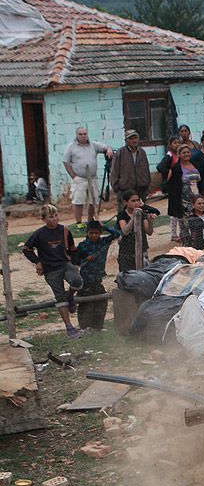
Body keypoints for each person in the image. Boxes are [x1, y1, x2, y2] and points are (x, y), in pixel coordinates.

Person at [23, 204, 83, 338]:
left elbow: (73, 249)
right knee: (60, 296)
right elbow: (27, 249)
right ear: (43, 219)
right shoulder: (39, 234)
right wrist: (38, 262)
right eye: (51, 217)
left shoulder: (64, 230)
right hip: (50, 270)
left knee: (77, 281)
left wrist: (74, 263)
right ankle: (69, 327)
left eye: (56, 216)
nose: (54, 219)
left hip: (64, 264)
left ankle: (71, 294)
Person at [62, 127, 113, 227]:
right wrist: (73, 176)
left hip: (93, 177)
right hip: (79, 178)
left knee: (94, 200)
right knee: (78, 200)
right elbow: (66, 161)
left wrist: (109, 149)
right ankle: (79, 223)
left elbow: (106, 147)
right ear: (77, 135)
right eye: (80, 134)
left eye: (85, 134)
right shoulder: (71, 147)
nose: (83, 136)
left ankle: (90, 220)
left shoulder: (93, 145)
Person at [75, 220, 120, 332]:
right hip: (86, 279)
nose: (94, 235)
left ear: (100, 233)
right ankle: (84, 326)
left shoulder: (103, 242)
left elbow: (117, 234)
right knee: (86, 303)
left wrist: (104, 226)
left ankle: (97, 326)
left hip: (97, 279)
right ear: (87, 232)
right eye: (91, 233)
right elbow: (75, 260)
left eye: (96, 233)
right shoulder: (82, 246)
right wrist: (85, 259)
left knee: (101, 302)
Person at [110, 130, 151, 213]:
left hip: (141, 189)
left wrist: (146, 183)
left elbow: (146, 168)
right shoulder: (120, 153)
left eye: (135, 138)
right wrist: (117, 187)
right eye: (131, 138)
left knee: (141, 212)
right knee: (124, 214)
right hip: (125, 189)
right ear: (126, 140)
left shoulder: (142, 152)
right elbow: (114, 171)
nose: (134, 140)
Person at [116, 190, 156, 272]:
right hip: (127, 252)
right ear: (125, 202)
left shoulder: (141, 213)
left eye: (138, 200)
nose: (136, 203)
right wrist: (134, 217)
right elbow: (125, 231)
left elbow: (149, 232)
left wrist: (150, 221)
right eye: (133, 201)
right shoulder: (122, 215)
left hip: (142, 250)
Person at [156, 136, 183, 241]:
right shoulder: (169, 156)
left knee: (182, 210)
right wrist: (170, 171)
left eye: (178, 143)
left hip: (181, 185)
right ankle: (173, 234)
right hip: (173, 186)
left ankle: (181, 232)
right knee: (174, 211)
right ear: (170, 145)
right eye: (174, 143)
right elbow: (160, 167)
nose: (177, 145)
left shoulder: (180, 155)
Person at [179, 144, 201, 216]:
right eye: (184, 153)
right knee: (186, 223)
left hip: (197, 199)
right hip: (184, 200)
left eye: (188, 152)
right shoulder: (177, 168)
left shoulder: (196, 165)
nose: (186, 154)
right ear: (179, 154)